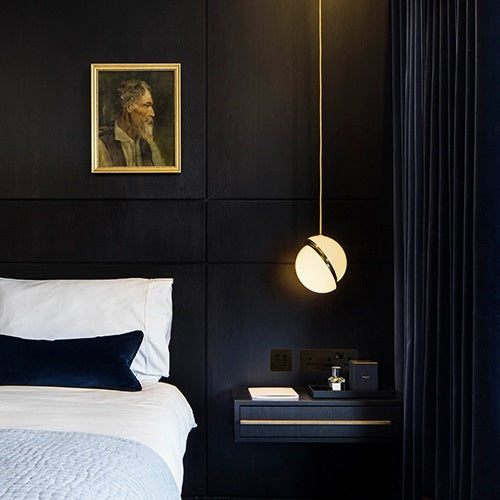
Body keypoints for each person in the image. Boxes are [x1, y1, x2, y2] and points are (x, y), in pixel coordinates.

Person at [98, 79, 166, 167]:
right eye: (147, 105)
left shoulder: (149, 143)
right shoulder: (101, 142)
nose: (152, 113)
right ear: (129, 107)